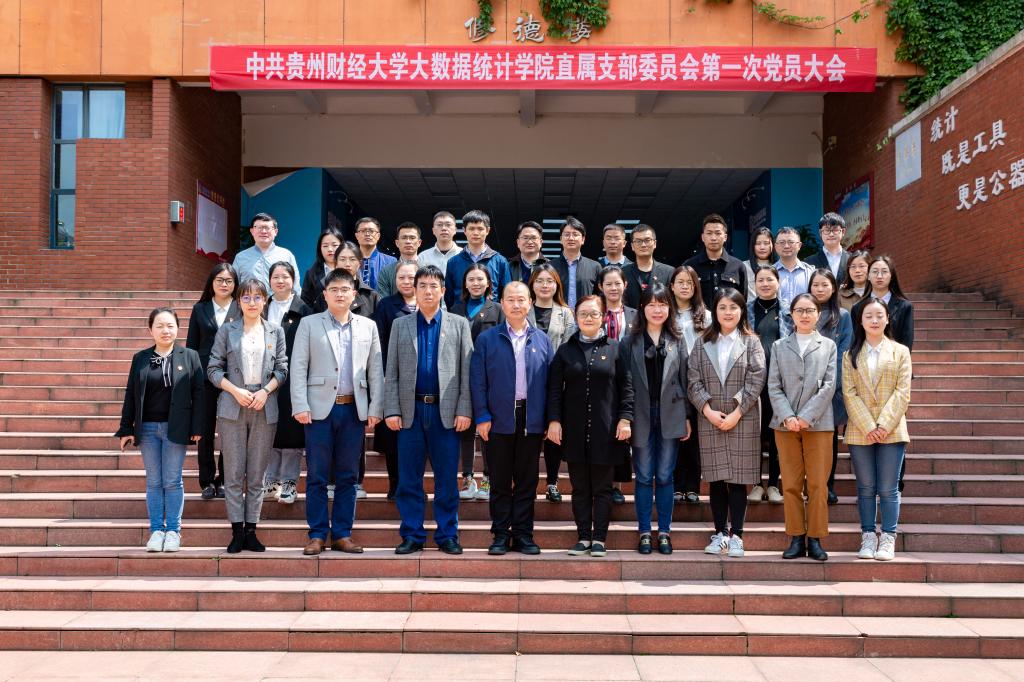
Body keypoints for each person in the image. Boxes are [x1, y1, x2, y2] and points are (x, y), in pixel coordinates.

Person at [290, 269, 384, 555]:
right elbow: (298, 366)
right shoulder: (309, 324)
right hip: (318, 410)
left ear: (354, 294)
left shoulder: (368, 326)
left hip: (353, 410)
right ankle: (317, 534)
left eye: (345, 289)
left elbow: (375, 370)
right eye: (334, 289)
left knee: (347, 475)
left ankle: (342, 534)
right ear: (325, 294)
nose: (340, 294)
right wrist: (300, 404)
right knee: (317, 475)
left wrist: (375, 407)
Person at [384, 265, 474, 555]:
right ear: (414, 290)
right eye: (422, 285)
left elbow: (467, 372)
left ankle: (447, 534)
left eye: (434, 286)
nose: (427, 291)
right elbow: (392, 372)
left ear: (443, 291)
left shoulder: (459, 325)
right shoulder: (401, 325)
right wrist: (392, 409)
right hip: (410, 412)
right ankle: (412, 534)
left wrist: (464, 409)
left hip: (445, 413)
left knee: (446, 479)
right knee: (409, 479)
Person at [471, 281, 554, 555]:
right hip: (497, 418)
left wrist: (548, 418)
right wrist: (482, 415)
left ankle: (523, 534)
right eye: (511, 300)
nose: (516, 305)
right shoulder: (487, 339)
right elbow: (478, 381)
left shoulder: (542, 340)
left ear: (530, 302)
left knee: (527, 481)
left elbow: (552, 384)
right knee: (499, 480)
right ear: (502, 303)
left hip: (531, 419)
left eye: (521, 300)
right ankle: (499, 534)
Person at [547, 295, 633, 557]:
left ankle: (599, 539)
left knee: (603, 488)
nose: (588, 318)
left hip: (606, 430)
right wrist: (554, 420)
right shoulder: (566, 350)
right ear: (576, 317)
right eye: (583, 313)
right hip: (574, 429)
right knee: (580, 487)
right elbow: (554, 390)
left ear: (603, 317)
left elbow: (627, 387)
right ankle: (583, 536)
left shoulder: (616, 348)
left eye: (594, 313)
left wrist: (625, 418)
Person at [207, 278, 288, 554]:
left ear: (265, 300)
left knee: (256, 474)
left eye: (257, 297)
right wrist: (234, 390)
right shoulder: (227, 330)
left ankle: (251, 530)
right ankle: (236, 531)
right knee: (232, 473)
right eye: (246, 297)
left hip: (264, 405)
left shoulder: (275, 331)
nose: (251, 302)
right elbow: (213, 369)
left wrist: (265, 391)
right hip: (233, 406)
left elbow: (282, 369)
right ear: (239, 301)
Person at [116, 308, 204, 553]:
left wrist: (197, 426)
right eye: (160, 326)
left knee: (173, 481)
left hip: (176, 428)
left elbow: (199, 394)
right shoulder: (141, 358)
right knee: (154, 481)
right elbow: (131, 394)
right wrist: (126, 428)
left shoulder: (190, 356)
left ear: (178, 328)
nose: (166, 331)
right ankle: (156, 531)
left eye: (170, 325)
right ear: (150, 330)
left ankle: (173, 531)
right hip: (147, 429)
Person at [688, 288, 767, 559]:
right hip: (710, 418)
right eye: (722, 307)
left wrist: (737, 412)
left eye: (733, 307)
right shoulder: (702, 342)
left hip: (742, 419)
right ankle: (720, 533)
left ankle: (737, 536)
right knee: (717, 479)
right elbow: (693, 380)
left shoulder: (751, 342)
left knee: (737, 480)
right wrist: (707, 409)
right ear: (715, 311)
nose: (728, 312)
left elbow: (756, 379)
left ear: (742, 310)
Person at [620, 284, 692, 555]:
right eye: (651, 304)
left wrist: (687, 416)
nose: (657, 310)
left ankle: (663, 532)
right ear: (642, 308)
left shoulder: (678, 340)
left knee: (664, 475)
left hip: (671, 414)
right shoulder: (630, 341)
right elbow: (624, 383)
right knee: (643, 475)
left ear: (669, 308)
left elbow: (686, 380)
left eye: (662, 304)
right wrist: (624, 418)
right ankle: (643, 532)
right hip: (640, 415)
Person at [768, 293, 837, 562]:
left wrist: (807, 417)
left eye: (810, 310)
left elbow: (829, 385)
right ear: (792, 314)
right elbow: (774, 386)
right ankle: (796, 537)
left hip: (819, 424)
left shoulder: (828, 345)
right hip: (785, 425)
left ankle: (816, 538)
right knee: (791, 484)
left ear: (818, 314)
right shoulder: (779, 346)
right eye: (799, 310)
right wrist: (788, 416)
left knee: (818, 484)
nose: (805, 315)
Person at [843, 298, 912, 562]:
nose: (874, 320)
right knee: (865, 487)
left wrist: (883, 424)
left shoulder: (900, 351)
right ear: (860, 321)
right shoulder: (850, 355)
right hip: (860, 430)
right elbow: (849, 394)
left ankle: (888, 537)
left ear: (887, 319)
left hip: (892, 429)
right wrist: (869, 426)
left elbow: (903, 392)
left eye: (879, 315)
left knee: (888, 488)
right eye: (868, 316)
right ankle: (868, 535)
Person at [450, 264, 505, 503]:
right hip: (461, 375)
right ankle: (467, 477)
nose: (475, 283)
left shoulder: (498, 309)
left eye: (480, 279)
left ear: (488, 283)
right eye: (471, 279)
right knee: (465, 428)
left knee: (486, 429)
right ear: (465, 283)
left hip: (489, 377)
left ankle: (488, 477)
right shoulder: (456, 309)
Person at [186, 263, 239, 499]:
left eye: (229, 280)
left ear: (235, 284)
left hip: (234, 378)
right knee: (205, 430)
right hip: (205, 377)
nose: (224, 284)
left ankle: (225, 479)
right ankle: (207, 481)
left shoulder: (241, 308)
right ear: (212, 282)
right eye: (220, 280)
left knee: (230, 430)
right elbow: (191, 347)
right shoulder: (200, 309)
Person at [261, 262, 313, 506]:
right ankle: (271, 480)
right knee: (269, 427)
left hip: (294, 377)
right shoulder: (262, 306)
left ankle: (289, 482)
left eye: (285, 276)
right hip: (263, 378)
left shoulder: (304, 310)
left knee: (292, 431)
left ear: (293, 280)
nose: (280, 281)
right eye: (275, 277)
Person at [526, 264, 577, 503]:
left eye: (549, 281)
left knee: (554, 433)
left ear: (557, 285)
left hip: (558, 382)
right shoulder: (523, 309)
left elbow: (569, 347)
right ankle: (528, 481)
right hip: (528, 381)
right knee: (531, 434)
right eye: (540, 281)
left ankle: (552, 482)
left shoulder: (565, 313)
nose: (545, 285)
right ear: (532, 284)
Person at [372, 261, 419, 499]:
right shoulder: (386, 305)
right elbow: (378, 341)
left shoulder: (429, 303)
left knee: (417, 437)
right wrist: (383, 374)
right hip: (394, 378)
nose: (407, 282)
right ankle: (394, 484)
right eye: (402, 277)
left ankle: (414, 485)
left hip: (422, 381)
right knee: (393, 435)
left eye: (411, 277)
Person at [808, 269, 854, 505]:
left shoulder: (843, 316)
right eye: (815, 285)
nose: (820, 289)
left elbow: (843, 354)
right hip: (804, 388)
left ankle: (828, 485)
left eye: (824, 285)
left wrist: (827, 386)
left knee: (829, 439)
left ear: (834, 288)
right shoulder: (804, 312)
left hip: (831, 389)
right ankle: (809, 484)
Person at [596, 264, 637, 504]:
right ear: (600, 286)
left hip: (629, 379)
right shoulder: (593, 311)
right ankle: (604, 484)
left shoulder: (635, 315)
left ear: (625, 285)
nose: (613, 288)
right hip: (601, 381)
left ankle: (617, 485)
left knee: (623, 434)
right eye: (608, 284)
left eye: (617, 283)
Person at [670, 265, 710, 505]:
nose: (685, 286)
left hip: (699, 379)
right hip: (672, 378)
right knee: (677, 432)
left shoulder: (706, 315)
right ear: (672, 286)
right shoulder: (665, 312)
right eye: (680, 282)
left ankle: (693, 485)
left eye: (689, 282)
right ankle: (676, 485)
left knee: (695, 433)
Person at [747, 265, 786, 504]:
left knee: (776, 435)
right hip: (752, 381)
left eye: (769, 279)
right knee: (753, 434)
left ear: (778, 282)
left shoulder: (787, 311)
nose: (765, 284)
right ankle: (755, 484)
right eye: (760, 280)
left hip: (779, 382)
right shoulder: (746, 310)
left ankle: (773, 484)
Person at [444, 210, 512, 307]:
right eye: (471, 228)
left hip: (492, 315)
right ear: (464, 230)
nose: (476, 233)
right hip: (460, 314)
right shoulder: (453, 262)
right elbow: (449, 297)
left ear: (487, 230)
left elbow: (507, 294)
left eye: (480, 229)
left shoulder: (500, 261)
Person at [853, 255, 914, 350]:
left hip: (895, 357)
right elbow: (855, 340)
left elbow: (907, 340)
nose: (879, 276)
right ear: (868, 276)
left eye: (884, 272)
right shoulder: (858, 307)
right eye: (875, 272)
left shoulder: (904, 306)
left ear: (891, 276)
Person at [684, 213, 747, 305]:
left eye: (718, 233)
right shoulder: (690, 266)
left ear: (725, 237)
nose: (713, 238)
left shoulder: (738, 266)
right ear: (703, 237)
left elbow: (742, 301)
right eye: (709, 233)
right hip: (700, 314)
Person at [232, 212, 300, 295]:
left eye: (268, 228)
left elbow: (295, 285)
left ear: (276, 232)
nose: (263, 231)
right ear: (252, 231)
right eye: (259, 228)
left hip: (279, 302)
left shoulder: (286, 255)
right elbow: (233, 286)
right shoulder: (241, 257)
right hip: (250, 302)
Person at [551, 216, 601, 311]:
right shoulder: (550, 267)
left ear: (583, 239)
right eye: (567, 234)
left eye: (575, 234)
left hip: (586, 316)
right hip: (557, 317)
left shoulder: (595, 267)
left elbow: (600, 297)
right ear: (561, 239)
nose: (571, 238)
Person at [621, 224, 675, 309]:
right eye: (638, 241)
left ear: (655, 243)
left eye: (647, 240)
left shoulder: (669, 272)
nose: (643, 245)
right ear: (632, 246)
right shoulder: (623, 273)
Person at [300, 227, 345, 313]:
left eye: (334, 245)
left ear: (342, 246)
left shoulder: (349, 269)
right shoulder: (311, 273)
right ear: (320, 249)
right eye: (325, 246)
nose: (330, 249)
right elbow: (305, 302)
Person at [773, 227, 816, 314]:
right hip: (776, 319)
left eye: (791, 242)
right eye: (782, 242)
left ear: (799, 245)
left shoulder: (811, 272)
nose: (786, 246)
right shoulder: (769, 273)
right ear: (775, 246)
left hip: (805, 318)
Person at [376, 221, 422, 298]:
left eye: (412, 238)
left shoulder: (429, 269)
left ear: (419, 242)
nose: (408, 241)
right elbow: (383, 301)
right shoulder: (386, 272)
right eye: (404, 238)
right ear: (397, 243)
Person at [805, 213, 851, 287]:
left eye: (835, 230)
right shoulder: (809, 262)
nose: (831, 234)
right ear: (820, 233)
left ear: (843, 232)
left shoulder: (852, 259)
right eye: (827, 230)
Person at [354, 216, 396, 291]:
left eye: (371, 231)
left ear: (378, 236)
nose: (367, 234)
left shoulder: (391, 261)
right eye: (363, 231)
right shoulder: (349, 261)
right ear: (356, 236)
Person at [417, 211, 463, 276]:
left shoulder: (464, 255)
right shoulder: (423, 257)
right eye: (439, 225)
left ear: (455, 230)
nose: (444, 228)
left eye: (448, 225)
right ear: (433, 230)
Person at [742, 227, 776, 302]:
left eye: (766, 243)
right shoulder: (743, 267)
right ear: (752, 246)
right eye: (758, 243)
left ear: (772, 245)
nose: (762, 247)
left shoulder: (778, 266)